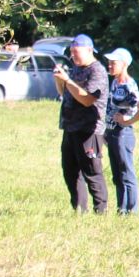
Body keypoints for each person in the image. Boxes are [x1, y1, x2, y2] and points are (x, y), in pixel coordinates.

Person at [52, 33, 110, 214]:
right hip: (70, 128)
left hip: (89, 130)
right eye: (71, 52)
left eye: (76, 52)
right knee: (70, 171)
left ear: (89, 50)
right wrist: (59, 80)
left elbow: (87, 100)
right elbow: (64, 93)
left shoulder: (97, 71)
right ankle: (79, 209)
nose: (73, 56)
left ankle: (101, 211)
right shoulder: (75, 69)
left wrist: (68, 81)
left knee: (92, 172)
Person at [103, 47, 139, 215]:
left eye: (113, 63)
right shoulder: (115, 82)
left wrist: (127, 121)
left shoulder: (129, 84)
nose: (109, 65)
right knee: (117, 175)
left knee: (126, 173)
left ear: (124, 64)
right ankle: (121, 210)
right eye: (109, 62)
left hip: (123, 134)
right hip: (112, 133)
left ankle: (132, 211)